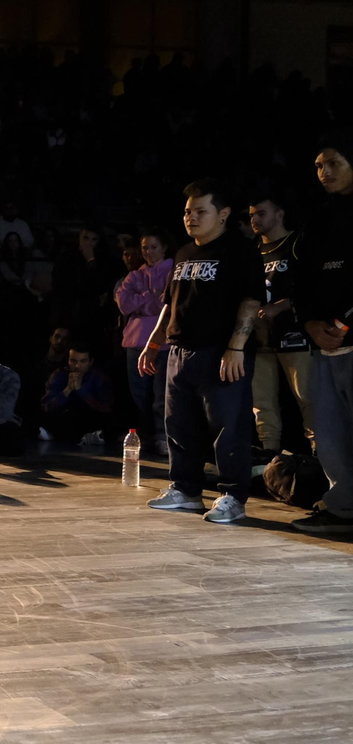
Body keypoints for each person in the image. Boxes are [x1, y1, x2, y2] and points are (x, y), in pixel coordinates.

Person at [139, 180, 264, 524]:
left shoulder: (239, 250)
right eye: (187, 212)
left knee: (229, 426)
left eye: (200, 211)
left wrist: (236, 347)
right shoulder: (182, 253)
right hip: (179, 350)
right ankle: (186, 489)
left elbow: (251, 301)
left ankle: (233, 496)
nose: (190, 217)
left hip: (220, 352)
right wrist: (153, 342)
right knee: (178, 424)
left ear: (223, 214)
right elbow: (170, 304)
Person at [294, 135, 353, 534]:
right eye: (318, 166)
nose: (324, 172)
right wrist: (312, 324)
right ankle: (342, 510)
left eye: (333, 162)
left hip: (350, 337)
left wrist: (346, 324)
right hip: (323, 345)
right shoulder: (317, 218)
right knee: (330, 434)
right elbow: (301, 281)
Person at [249, 192, 314, 455]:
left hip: (295, 334)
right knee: (261, 401)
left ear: (280, 213)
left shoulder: (298, 243)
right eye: (251, 215)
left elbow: (315, 286)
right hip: (260, 338)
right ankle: (270, 455)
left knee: (307, 398)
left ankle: (320, 456)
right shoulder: (251, 252)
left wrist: (284, 304)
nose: (254, 219)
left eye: (261, 213)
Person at [115, 231, 173, 456]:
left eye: (153, 247)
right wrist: (151, 296)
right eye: (145, 248)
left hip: (164, 341)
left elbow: (166, 305)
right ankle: (147, 435)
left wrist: (142, 301)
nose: (149, 252)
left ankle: (162, 436)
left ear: (164, 247)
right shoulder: (135, 275)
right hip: (136, 340)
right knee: (140, 394)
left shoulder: (172, 270)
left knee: (162, 393)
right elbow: (124, 304)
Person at [39, 344, 113, 447]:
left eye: (83, 361)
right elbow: (46, 406)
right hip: (64, 418)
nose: (77, 366)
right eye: (73, 361)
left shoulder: (98, 377)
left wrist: (80, 390)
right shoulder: (59, 375)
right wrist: (67, 390)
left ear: (90, 362)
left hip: (90, 419)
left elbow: (105, 408)